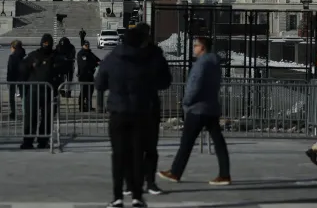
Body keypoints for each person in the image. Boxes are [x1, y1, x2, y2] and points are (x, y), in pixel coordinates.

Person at [96, 26, 172, 208]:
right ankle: (138, 196)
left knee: (119, 155)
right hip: (141, 111)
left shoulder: (112, 57)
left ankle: (117, 197)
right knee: (139, 153)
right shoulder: (148, 59)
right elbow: (164, 81)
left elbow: (99, 83)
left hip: (118, 112)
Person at [159, 37, 230, 186]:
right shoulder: (215, 64)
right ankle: (224, 174)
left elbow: (194, 85)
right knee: (218, 142)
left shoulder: (201, 64)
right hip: (211, 107)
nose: (194, 48)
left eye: (196, 45)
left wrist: (186, 101)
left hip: (197, 109)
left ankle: (175, 172)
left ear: (202, 47)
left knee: (186, 142)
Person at [126, 23, 169, 196]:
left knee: (149, 148)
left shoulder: (156, 55)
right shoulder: (128, 54)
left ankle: (149, 182)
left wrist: (151, 82)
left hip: (149, 105)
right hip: (133, 106)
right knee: (134, 148)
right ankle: (132, 183)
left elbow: (166, 79)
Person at [20, 34, 65, 150]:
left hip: (49, 91)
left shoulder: (56, 56)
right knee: (31, 117)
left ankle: (43, 140)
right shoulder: (34, 56)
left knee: (47, 118)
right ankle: (28, 141)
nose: (46, 45)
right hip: (34, 90)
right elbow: (23, 69)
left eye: (47, 43)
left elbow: (63, 70)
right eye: (44, 43)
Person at [75, 40, 100, 112]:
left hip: (90, 75)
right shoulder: (81, 54)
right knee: (83, 92)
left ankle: (89, 106)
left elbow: (97, 60)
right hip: (83, 75)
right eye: (85, 45)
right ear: (83, 46)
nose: (87, 46)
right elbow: (84, 64)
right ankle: (82, 106)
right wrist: (94, 64)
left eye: (88, 45)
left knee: (90, 91)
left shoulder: (90, 53)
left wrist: (97, 63)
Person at [6, 40, 26, 120]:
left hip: (13, 78)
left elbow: (10, 69)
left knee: (12, 97)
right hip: (22, 78)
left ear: (14, 47)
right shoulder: (24, 55)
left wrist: (8, 79)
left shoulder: (12, 57)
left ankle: (13, 112)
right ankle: (25, 112)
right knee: (23, 96)